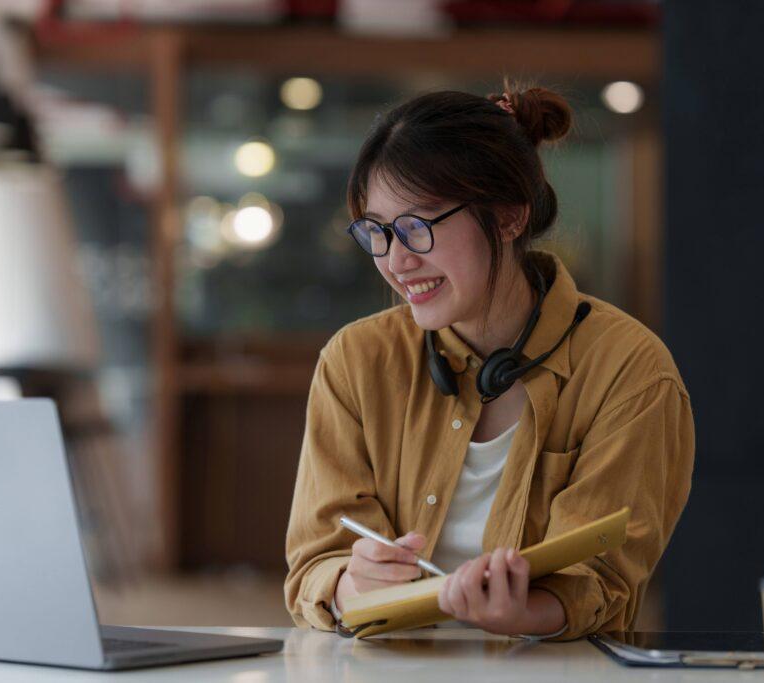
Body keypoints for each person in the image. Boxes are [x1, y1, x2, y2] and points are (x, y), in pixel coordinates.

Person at [284, 81, 694, 639]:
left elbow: (603, 582)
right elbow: (315, 564)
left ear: (508, 217)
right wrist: (352, 584)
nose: (396, 260)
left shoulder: (630, 370)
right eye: (377, 231)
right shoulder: (355, 361)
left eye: (417, 225)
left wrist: (519, 616)